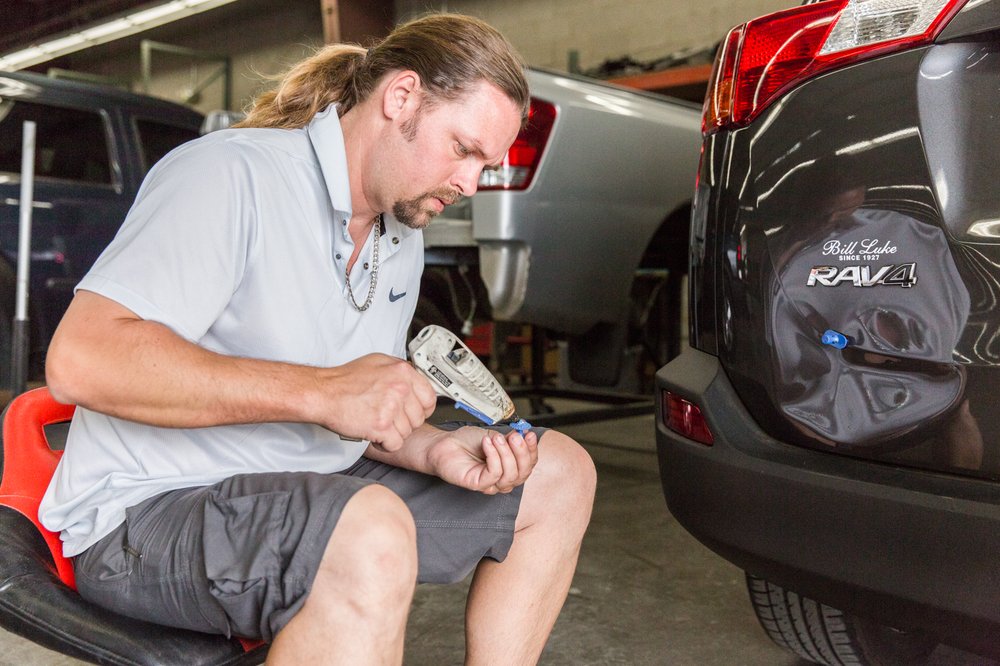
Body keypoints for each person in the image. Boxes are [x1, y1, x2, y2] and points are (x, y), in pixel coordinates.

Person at [39, 13, 596, 665]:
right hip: (150, 512)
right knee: (366, 533)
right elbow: (81, 360)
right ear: (401, 97)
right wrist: (323, 392)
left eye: (485, 166)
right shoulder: (232, 175)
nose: (469, 184)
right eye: (463, 149)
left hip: (316, 485)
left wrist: (434, 450)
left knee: (560, 474)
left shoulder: (400, 233)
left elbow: (357, 411)